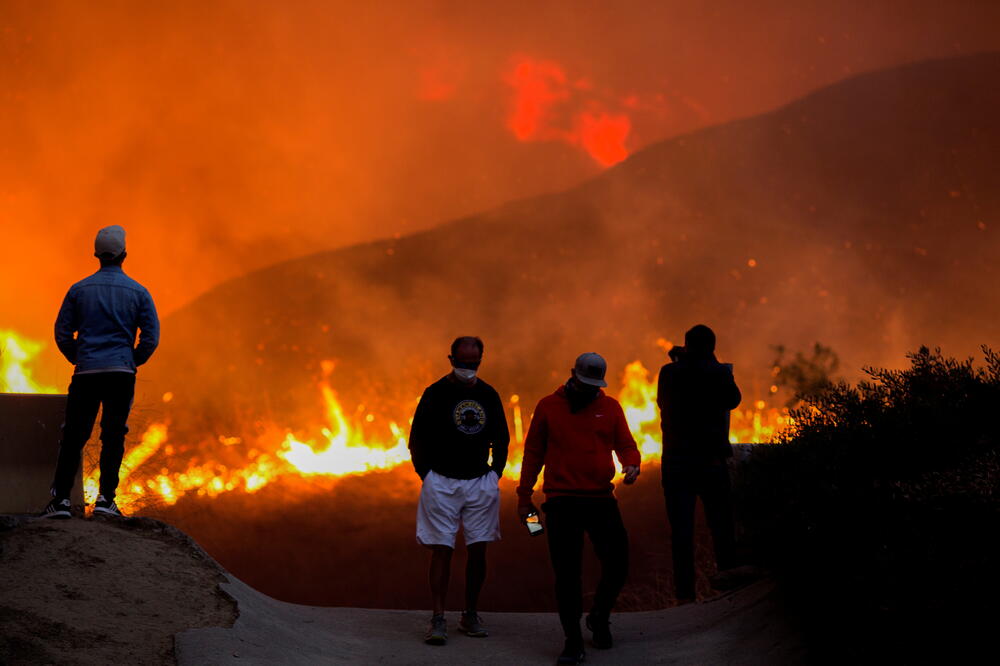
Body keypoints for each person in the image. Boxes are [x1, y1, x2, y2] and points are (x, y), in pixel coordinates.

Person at [517, 352, 641, 665]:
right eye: (584, 384)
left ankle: (598, 616)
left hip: (601, 499)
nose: (588, 391)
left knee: (618, 562)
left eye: (593, 386)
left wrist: (631, 465)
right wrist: (524, 496)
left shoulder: (610, 407)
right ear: (572, 374)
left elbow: (625, 443)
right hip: (561, 503)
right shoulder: (548, 406)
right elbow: (533, 453)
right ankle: (572, 641)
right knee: (567, 574)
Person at [42, 225, 160, 519]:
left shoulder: (78, 290)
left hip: (86, 374)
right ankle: (106, 500)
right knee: (114, 435)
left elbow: (62, 333)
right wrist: (132, 360)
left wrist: (80, 357)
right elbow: (150, 337)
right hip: (120, 374)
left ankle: (60, 503)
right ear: (124, 255)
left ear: (97, 256)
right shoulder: (139, 292)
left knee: (74, 436)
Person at [408, 336, 509, 645]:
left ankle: (470, 614)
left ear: (481, 360)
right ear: (451, 359)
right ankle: (438, 618)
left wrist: (494, 475)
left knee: (479, 549)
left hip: (480, 482)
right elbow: (417, 440)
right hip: (442, 482)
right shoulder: (435, 394)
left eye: (473, 363)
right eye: (463, 363)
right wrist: (428, 476)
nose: (468, 368)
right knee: (442, 549)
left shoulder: (489, 395)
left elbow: (502, 439)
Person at [657, 324, 742, 602]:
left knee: (681, 532)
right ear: (712, 348)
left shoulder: (669, 373)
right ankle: (730, 586)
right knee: (721, 527)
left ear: (687, 345)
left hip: (677, 462)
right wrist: (711, 362)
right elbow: (734, 400)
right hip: (711, 461)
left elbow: (661, 401)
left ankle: (685, 597)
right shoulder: (718, 372)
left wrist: (682, 359)